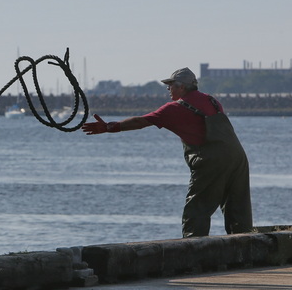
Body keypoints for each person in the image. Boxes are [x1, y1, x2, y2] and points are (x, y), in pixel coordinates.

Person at [82, 67, 253, 238]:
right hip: (237, 157)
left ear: (182, 87)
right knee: (238, 208)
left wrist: (109, 127)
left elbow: (141, 121)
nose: (168, 89)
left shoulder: (174, 108)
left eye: (170, 85)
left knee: (197, 209)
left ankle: (193, 254)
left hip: (211, 160)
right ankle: (246, 250)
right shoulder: (212, 100)